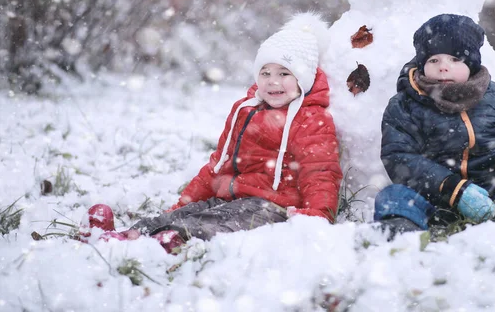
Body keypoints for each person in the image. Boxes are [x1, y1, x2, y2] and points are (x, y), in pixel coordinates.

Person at [83, 13, 343, 252]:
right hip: (229, 195)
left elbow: (320, 171)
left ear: (304, 79)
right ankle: (128, 235)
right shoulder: (245, 110)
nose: (272, 81)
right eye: (265, 72)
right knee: (189, 212)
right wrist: (182, 203)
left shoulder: (311, 119)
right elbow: (218, 164)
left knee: (213, 224)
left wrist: (318, 214)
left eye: (284, 73)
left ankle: (172, 242)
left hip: (271, 205)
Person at [373, 14, 495, 239]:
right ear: (421, 65)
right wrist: (452, 189)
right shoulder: (405, 105)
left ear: (471, 64)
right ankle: (404, 230)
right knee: (393, 196)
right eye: (433, 60)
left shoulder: (493, 97)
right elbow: (399, 156)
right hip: (436, 199)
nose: (443, 68)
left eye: (454, 59)